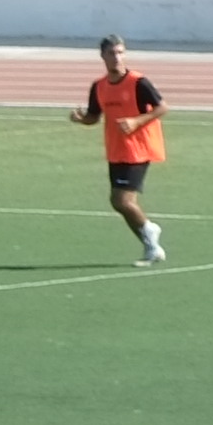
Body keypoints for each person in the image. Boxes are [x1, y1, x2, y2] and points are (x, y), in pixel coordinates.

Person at [70, 35, 165, 264]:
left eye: (120, 53)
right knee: (117, 201)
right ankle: (149, 238)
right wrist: (81, 118)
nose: (117, 58)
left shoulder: (138, 82)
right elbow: (94, 116)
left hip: (138, 149)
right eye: (112, 53)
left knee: (123, 200)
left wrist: (136, 122)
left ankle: (150, 236)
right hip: (116, 149)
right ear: (103, 56)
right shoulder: (99, 86)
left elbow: (162, 107)